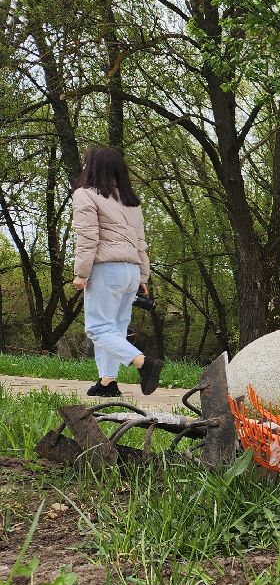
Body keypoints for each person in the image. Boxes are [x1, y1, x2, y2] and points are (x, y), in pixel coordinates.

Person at [71, 145, 163, 397]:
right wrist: (143, 277)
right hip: (131, 271)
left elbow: (88, 237)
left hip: (106, 270)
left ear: (91, 167)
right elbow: (141, 242)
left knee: (98, 329)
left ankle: (143, 363)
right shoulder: (131, 201)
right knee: (114, 330)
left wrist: (82, 272)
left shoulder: (84, 195)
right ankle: (107, 383)